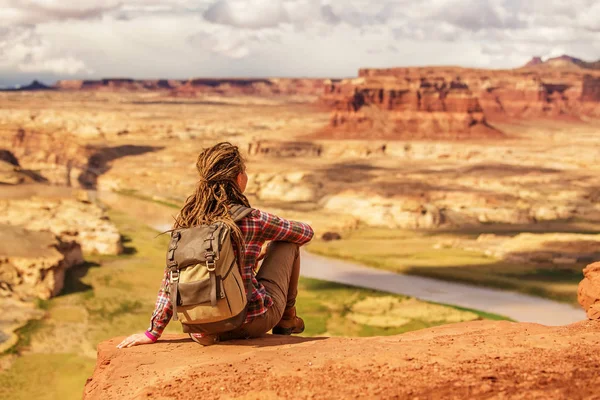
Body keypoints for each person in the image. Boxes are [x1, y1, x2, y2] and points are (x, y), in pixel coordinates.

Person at [117, 142, 314, 348]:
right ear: (238, 178)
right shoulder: (252, 219)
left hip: (201, 332)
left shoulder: (187, 221)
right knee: (286, 244)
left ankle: (280, 319)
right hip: (248, 322)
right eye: (244, 172)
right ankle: (287, 319)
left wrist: (152, 332)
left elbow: (170, 280)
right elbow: (305, 233)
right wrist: (258, 246)